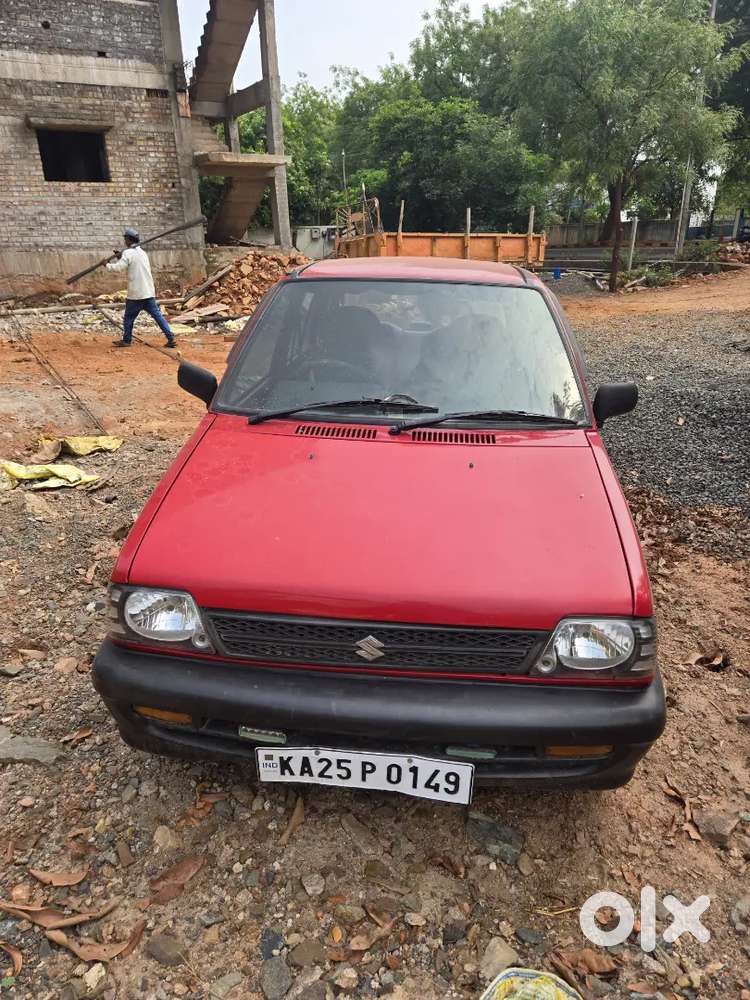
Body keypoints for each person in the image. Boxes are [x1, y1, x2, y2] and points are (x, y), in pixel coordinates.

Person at [106, 227, 176, 348]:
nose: (124, 241)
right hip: (148, 292)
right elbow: (133, 264)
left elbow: (118, 268)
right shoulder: (142, 253)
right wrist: (121, 257)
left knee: (128, 318)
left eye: (125, 239)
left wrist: (106, 265)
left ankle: (126, 340)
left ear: (128, 239)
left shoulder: (128, 253)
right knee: (158, 316)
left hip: (136, 294)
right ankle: (170, 337)